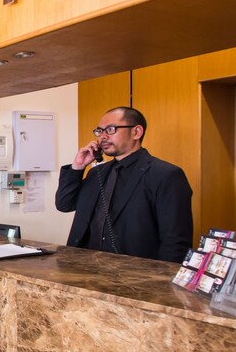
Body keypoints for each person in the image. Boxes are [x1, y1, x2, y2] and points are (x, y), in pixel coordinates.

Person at [54, 106, 192, 263]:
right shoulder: (97, 172)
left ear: (136, 132)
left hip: (134, 271)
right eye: (99, 131)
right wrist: (77, 167)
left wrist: (162, 276)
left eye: (110, 129)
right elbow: (64, 204)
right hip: (84, 265)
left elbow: (175, 240)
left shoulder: (166, 175)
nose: (103, 137)